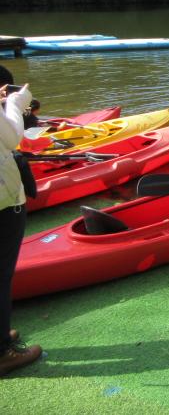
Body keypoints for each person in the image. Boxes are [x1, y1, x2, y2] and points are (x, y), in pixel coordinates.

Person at [0, 82, 43, 376]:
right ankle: (3, 352)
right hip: (3, 201)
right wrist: (14, 103)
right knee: (1, 274)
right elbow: (12, 136)